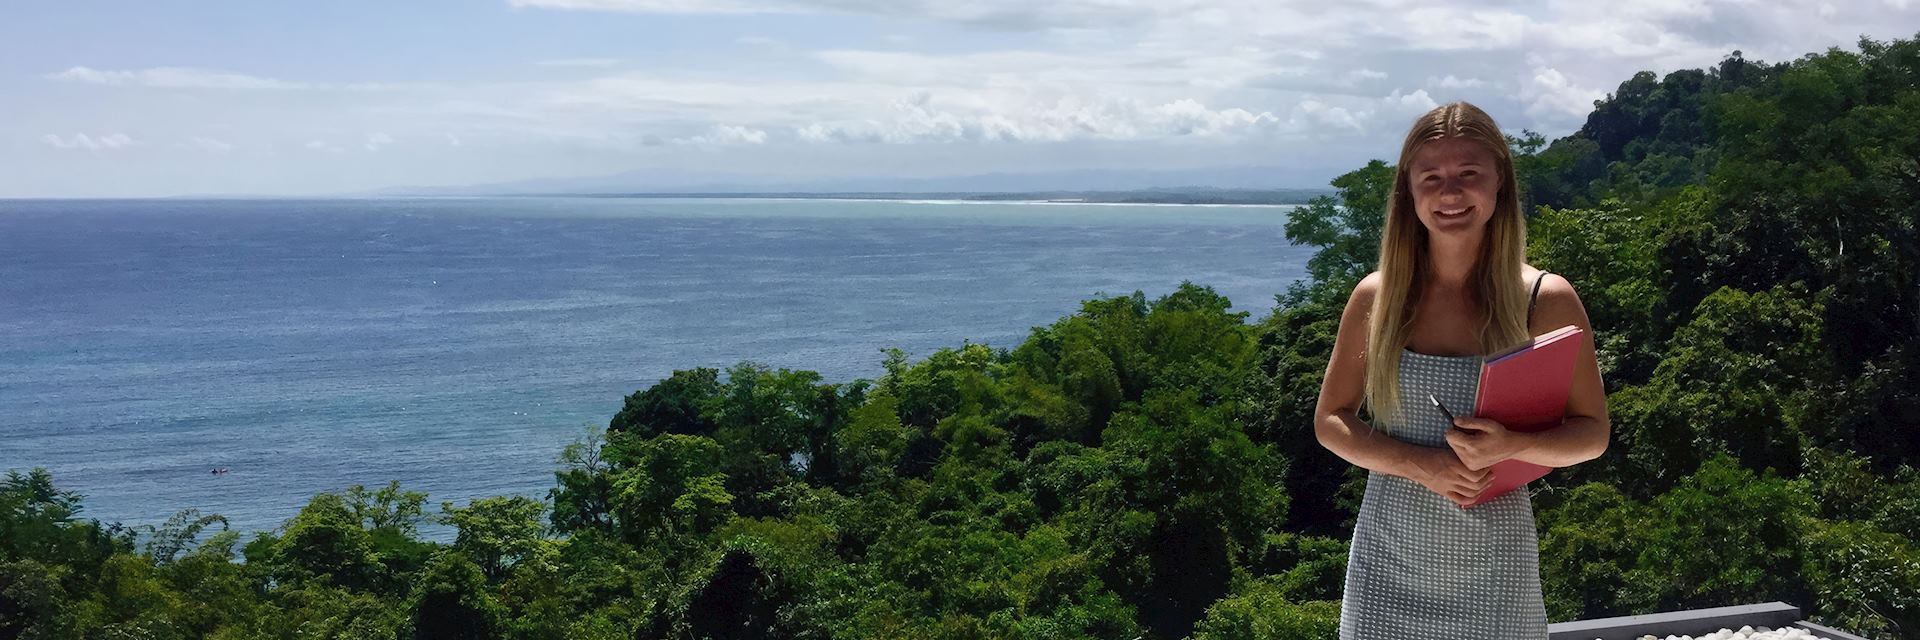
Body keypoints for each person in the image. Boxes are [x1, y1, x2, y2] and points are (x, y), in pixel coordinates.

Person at [1312, 101, 1611, 639]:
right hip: (1386, 564)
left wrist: (1508, 445)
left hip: (1499, 570)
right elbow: (1331, 420)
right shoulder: (1377, 298)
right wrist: (1421, 464)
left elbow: (1591, 436)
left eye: (1468, 174)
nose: (1450, 193)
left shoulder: (1545, 298)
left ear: (1500, 183)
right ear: (1409, 192)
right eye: (1432, 177)